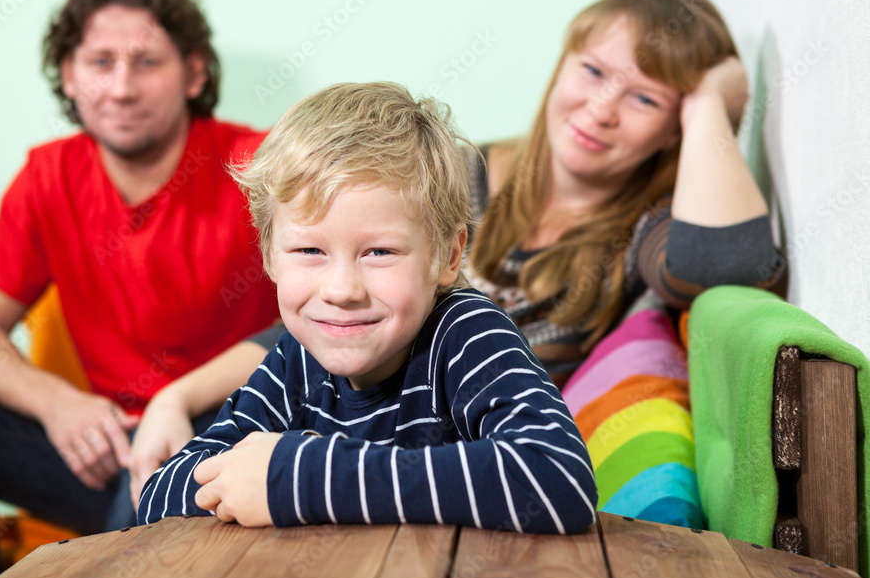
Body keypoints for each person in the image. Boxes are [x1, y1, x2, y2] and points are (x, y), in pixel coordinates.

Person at [0, 0, 279, 578]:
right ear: (68, 74)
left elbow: (318, 319)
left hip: (224, 437)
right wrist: (58, 404)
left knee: (144, 505)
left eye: (146, 62)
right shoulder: (47, 178)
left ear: (193, 73)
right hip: (104, 450)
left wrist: (176, 399)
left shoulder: (258, 164)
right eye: (100, 62)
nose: (120, 87)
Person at [137, 82, 598, 533]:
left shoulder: (465, 334)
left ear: (449, 255)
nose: (341, 290)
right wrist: (274, 471)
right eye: (309, 252)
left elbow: (558, 476)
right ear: (269, 255)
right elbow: (158, 496)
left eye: (379, 252)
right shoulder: (294, 361)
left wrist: (311, 478)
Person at [464, 0, 785, 384]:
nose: (601, 111)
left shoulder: (643, 230)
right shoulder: (447, 172)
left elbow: (724, 265)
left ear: (674, 131)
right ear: (562, 64)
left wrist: (707, 103)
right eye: (594, 71)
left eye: (644, 99)